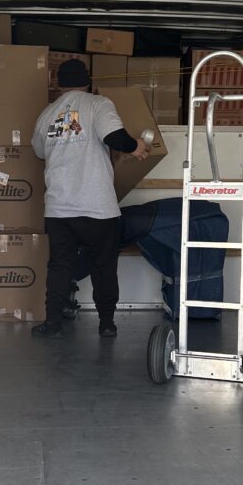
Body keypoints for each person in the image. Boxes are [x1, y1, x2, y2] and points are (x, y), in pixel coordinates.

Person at [31, 58, 148, 339]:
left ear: (58, 84)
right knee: (103, 266)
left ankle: (53, 323)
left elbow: (38, 151)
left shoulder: (47, 114)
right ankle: (106, 323)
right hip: (97, 207)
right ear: (88, 81)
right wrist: (136, 147)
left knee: (59, 266)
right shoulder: (98, 104)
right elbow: (115, 137)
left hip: (59, 208)